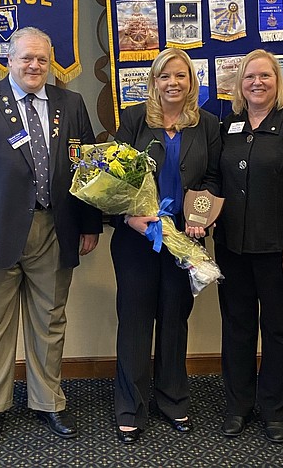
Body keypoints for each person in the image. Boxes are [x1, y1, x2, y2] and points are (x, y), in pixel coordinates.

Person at [0, 27, 102, 450]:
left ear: (51, 63)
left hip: (55, 227)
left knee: (50, 321)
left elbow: (87, 170)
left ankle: (47, 401)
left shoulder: (72, 103)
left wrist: (89, 224)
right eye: (26, 58)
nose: (34, 66)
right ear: (8, 59)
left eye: (42, 60)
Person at [110, 48, 221, 443]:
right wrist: (129, 217)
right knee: (136, 322)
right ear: (154, 82)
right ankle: (130, 406)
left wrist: (198, 217)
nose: (173, 82)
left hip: (183, 241)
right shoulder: (136, 120)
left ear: (191, 82)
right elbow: (112, 174)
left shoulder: (206, 124)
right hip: (136, 238)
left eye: (181, 76)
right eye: (165, 76)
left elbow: (212, 177)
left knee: (175, 319)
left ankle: (173, 399)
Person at [214, 49, 283, 443]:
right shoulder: (229, 124)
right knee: (236, 327)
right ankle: (238, 406)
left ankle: (274, 409)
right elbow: (215, 179)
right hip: (232, 247)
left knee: (278, 331)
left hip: (278, 249)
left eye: (265, 76)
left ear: (279, 82)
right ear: (240, 84)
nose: (257, 82)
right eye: (250, 76)